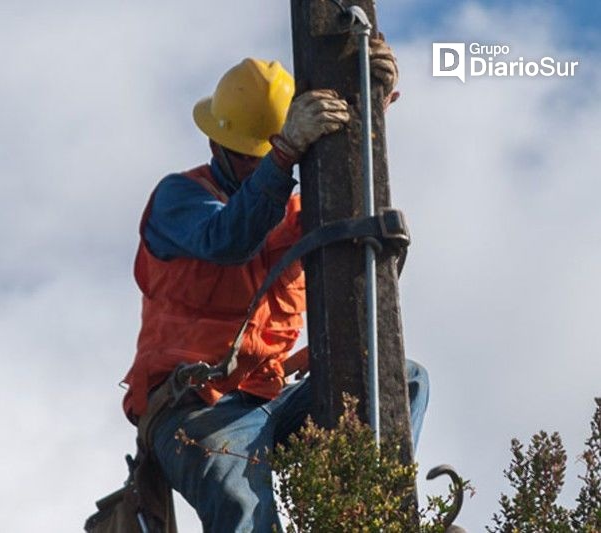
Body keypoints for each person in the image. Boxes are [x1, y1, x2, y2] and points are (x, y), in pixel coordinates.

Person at [121, 39, 429, 532]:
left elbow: (356, 193)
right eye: (250, 156)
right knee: (244, 512)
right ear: (215, 143)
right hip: (198, 409)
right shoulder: (179, 199)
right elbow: (229, 240)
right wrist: (283, 156)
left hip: (270, 396)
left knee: (400, 380)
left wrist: (370, 105)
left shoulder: (300, 210)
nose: (258, 165)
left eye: (269, 153)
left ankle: (369, 519)